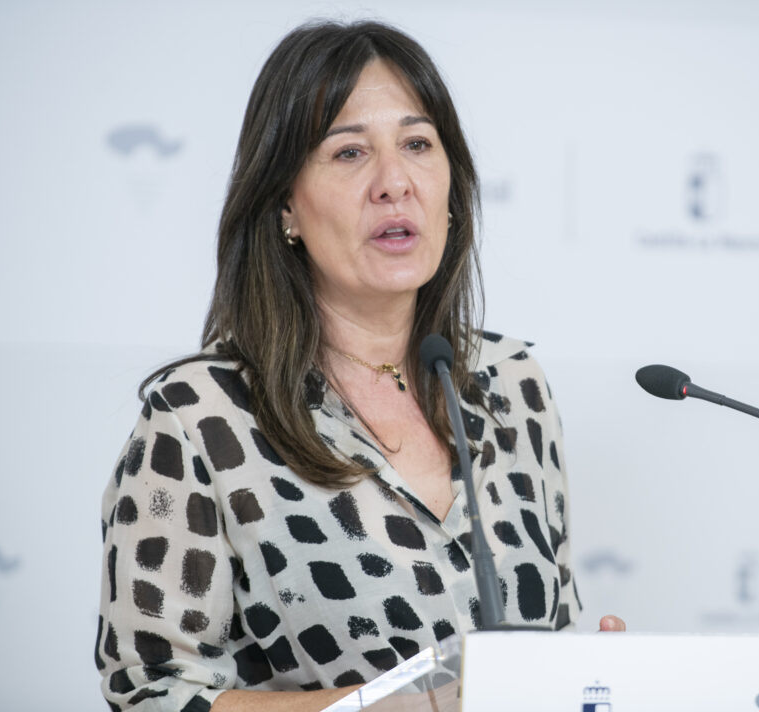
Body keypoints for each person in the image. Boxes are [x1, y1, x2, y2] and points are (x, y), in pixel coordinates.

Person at [95, 19, 623, 712]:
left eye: (417, 144)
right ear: (285, 204)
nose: (394, 182)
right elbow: (153, 693)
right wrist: (390, 707)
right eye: (349, 153)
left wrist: (591, 677)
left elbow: (547, 635)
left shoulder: (510, 383)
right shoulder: (199, 419)